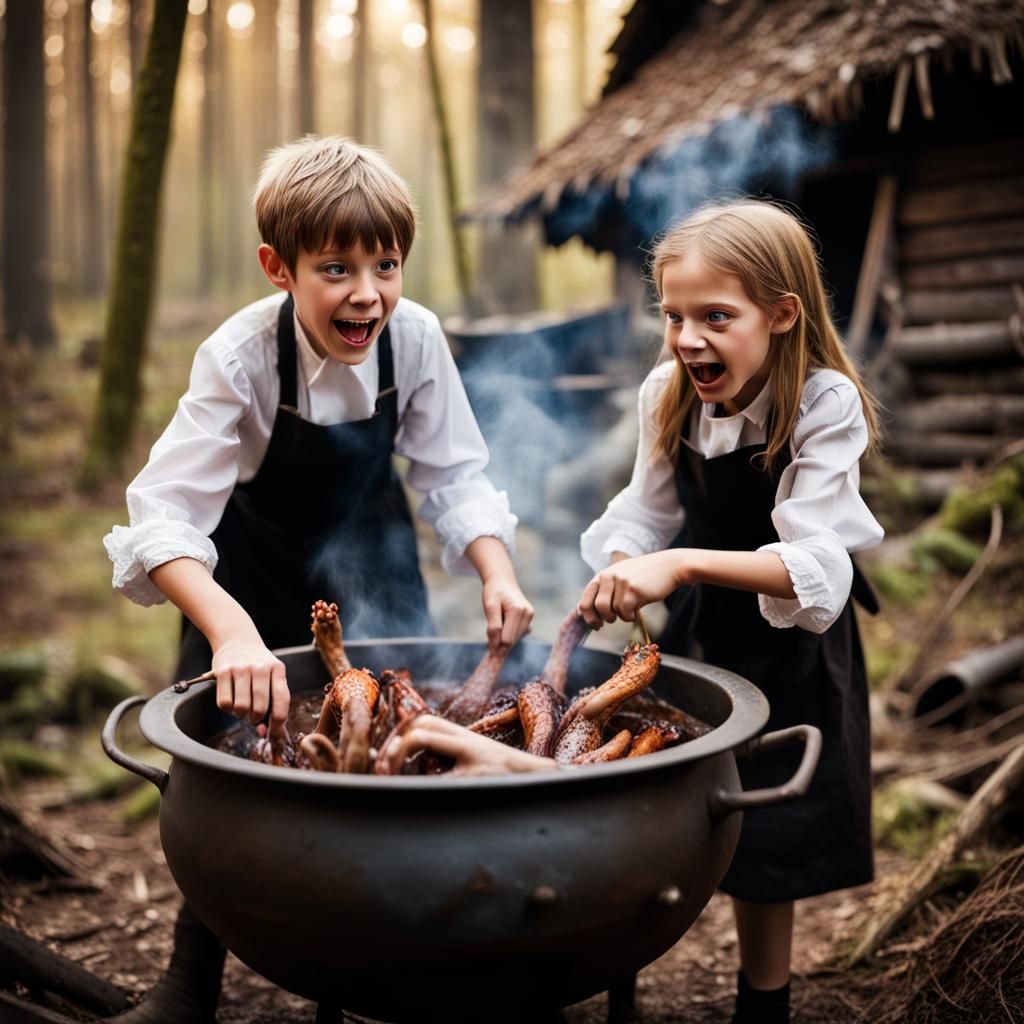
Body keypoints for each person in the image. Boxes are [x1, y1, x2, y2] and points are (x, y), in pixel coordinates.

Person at [101, 135, 534, 1023]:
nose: (367, 292)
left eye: (387, 264)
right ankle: (192, 982)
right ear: (278, 268)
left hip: (375, 563)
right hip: (246, 578)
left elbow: (452, 475)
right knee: (225, 771)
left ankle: (390, 969)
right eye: (336, 267)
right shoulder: (239, 356)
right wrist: (228, 631)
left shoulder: (412, 339)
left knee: (396, 754)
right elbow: (163, 518)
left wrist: (495, 568)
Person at [574, 200, 883, 1024]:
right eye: (673, 315)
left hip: (794, 640)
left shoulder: (825, 405)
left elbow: (816, 564)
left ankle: (763, 1001)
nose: (687, 339)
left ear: (781, 315)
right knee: (664, 806)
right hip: (706, 637)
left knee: (770, 833)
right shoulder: (666, 395)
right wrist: (621, 562)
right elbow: (645, 513)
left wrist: (673, 564)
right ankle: (618, 975)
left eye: (716, 317)